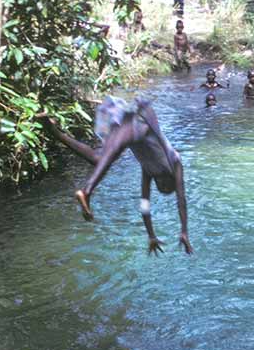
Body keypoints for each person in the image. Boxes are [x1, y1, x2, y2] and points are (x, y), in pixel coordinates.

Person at [46, 97, 193, 255]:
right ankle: (87, 191)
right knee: (114, 149)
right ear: (171, 180)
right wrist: (184, 231)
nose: (162, 185)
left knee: (99, 158)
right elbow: (181, 200)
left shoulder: (148, 171)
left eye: (161, 188)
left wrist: (151, 236)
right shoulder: (175, 162)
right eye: (166, 186)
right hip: (140, 117)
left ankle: (52, 130)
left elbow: (144, 204)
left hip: (120, 119)